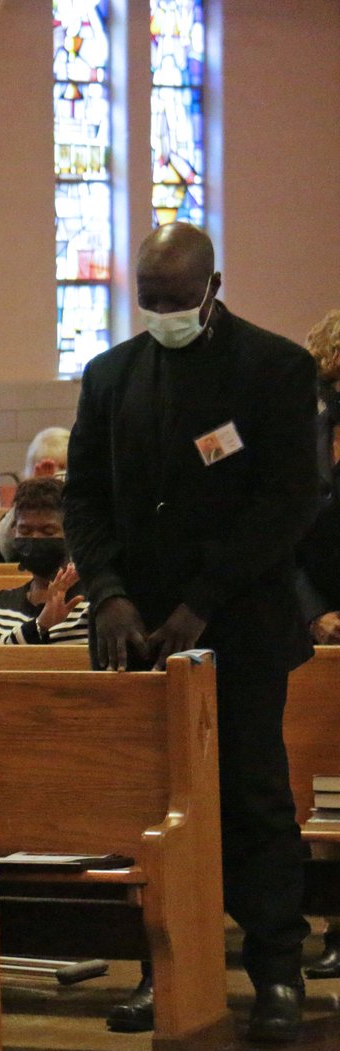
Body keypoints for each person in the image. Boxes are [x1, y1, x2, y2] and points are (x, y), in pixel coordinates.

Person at [63, 222, 320, 1043]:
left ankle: (277, 972)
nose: (162, 313)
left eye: (176, 300)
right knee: (156, 808)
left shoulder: (275, 367)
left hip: (241, 623)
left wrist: (202, 600)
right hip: (140, 632)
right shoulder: (110, 376)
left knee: (252, 796)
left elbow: (288, 499)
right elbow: (85, 501)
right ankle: (163, 968)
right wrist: (106, 592)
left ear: (213, 286)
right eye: (149, 300)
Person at [295, 309, 340, 981]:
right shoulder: (309, 416)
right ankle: (337, 919)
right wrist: (317, 613)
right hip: (325, 619)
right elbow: (289, 531)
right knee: (330, 779)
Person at [0, 477, 87, 645]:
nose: (35, 538)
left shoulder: (93, 601)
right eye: (24, 531)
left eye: (48, 531)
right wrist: (40, 625)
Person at [0, 427, 71, 560]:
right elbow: (5, 546)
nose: (54, 475)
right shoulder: (16, 516)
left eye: (62, 469)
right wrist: (32, 494)